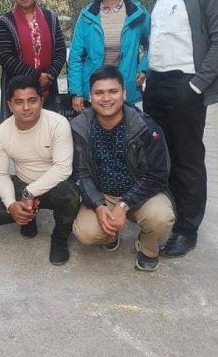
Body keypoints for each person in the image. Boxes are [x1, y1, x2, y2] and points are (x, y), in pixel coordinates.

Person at [143, 0, 218, 257]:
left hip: (187, 82)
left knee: (187, 157)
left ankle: (187, 228)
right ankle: (167, 215)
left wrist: (196, 86)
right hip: (156, 83)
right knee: (160, 154)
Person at [71, 66, 175, 271]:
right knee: (86, 233)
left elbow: (158, 175)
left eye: (113, 91)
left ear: (124, 93)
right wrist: (98, 205)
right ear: (90, 96)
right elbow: (80, 172)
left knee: (161, 219)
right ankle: (111, 235)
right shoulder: (79, 127)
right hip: (103, 194)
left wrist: (124, 206)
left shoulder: (145, 126)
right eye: (99, 93)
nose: (106, 98)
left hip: (141, 192)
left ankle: (147, 247)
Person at [0, 75, 79, 265]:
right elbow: (1, 174)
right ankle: (27, 218)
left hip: (54, 183)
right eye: (18, 102)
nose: (26, 107)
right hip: (23, 181)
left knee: (70, 197)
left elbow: (63, 168)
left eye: (32, 100)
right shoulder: (0, 134)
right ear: (9, 105)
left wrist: (29, 193)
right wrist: (11, 205)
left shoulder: (58, 123)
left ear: (41, 101)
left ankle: (60, 238)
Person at [68, 0, 151, 113]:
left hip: (125, 87)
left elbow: (153, 43)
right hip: (95, 89)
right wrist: (76, 92)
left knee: (127, 127)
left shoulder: (137, 13)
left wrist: (144, 67)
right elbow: (75, 57)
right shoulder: (87, 16)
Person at [0, 0, 67, 121]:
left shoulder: (50, 18)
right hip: (17, 89)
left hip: (48, 86)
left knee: (49, 127)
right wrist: (36, 77)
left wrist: (49, 76)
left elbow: (60, 50)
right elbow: (5, 57)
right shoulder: (5, 22)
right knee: (18, 129)